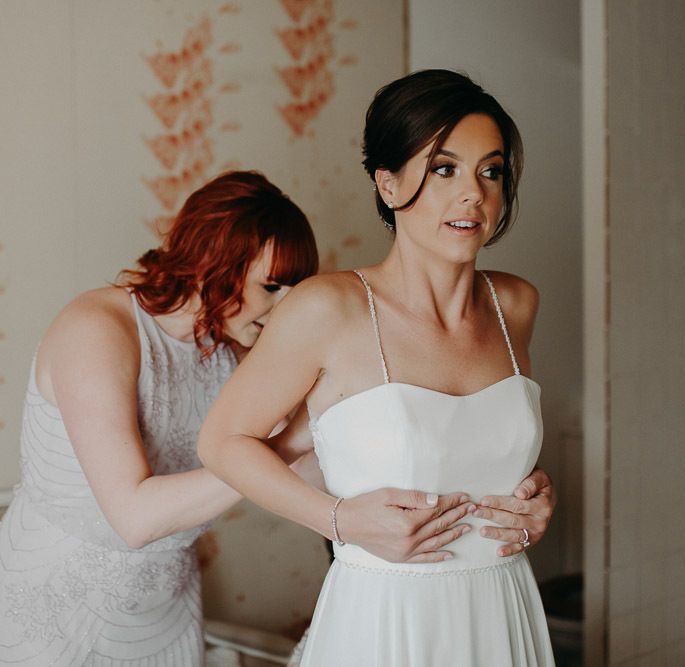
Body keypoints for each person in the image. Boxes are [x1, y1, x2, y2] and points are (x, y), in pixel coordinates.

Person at [0, 169, 553, 666]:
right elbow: (134, 518)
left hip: (165, 612)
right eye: (271, 286)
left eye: (294, 288)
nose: (284, 307)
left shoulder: (232, 353)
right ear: (211, 264)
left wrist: (473, 480)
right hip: (51, 611)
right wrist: (250, 453)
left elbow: (307, 465)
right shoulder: (97, 328)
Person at [198, 70, 556, 666]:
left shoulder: (515, 304)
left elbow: (481, 446)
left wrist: (535, 496)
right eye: (444, 168)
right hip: (387, 614)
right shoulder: (327, 308)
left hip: (500, 604)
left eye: (489, 171)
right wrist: (341, 520)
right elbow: (222, 442)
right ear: (388, 186)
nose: (473, 193)